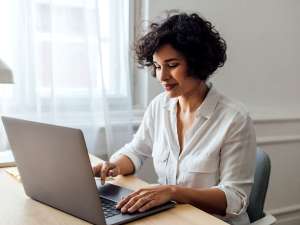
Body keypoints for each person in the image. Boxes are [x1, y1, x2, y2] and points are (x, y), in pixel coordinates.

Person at [93, 12, 256, 225]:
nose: (161, 77)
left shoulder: (234, 119)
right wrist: (113, 165)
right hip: (171, 218)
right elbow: (136, 150)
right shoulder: (159, 106)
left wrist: (174, 192)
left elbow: (235, 198)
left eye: (171, 65)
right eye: (158, 66)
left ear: (197, 63)